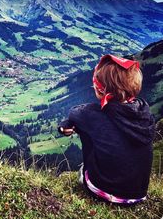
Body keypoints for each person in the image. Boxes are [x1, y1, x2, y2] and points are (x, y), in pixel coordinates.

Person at [58, 54, 155, 204]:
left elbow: (74, 113)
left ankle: (92, 178)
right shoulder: (145, 112)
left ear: (100, 89)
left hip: (104, 192)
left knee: (88, 130)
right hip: (138, 195)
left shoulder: (91, 114)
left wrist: (68, 125)